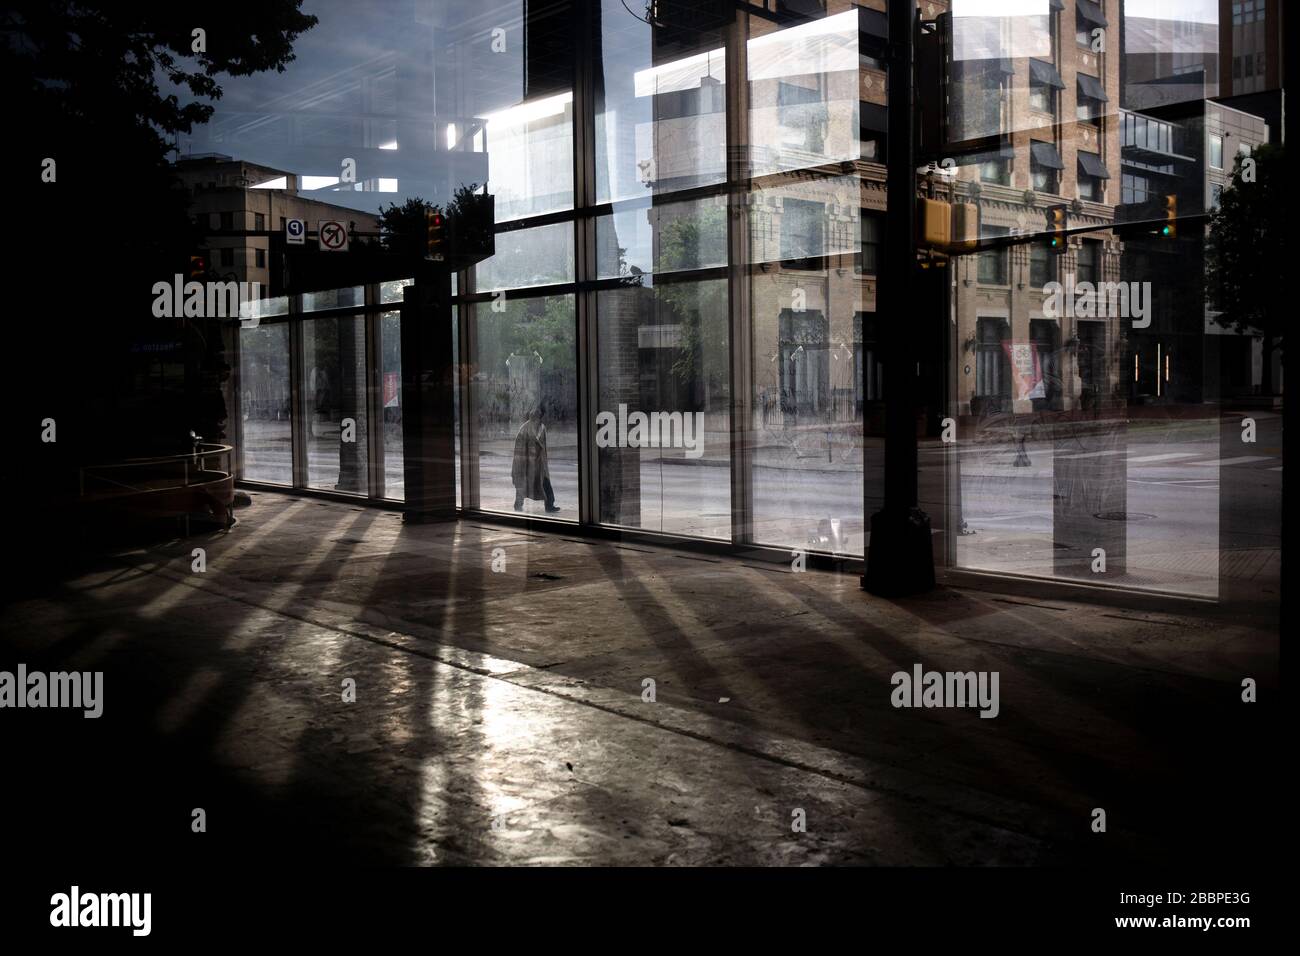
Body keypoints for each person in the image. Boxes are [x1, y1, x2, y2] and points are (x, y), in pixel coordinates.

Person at [511, 405, 560, 512]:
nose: (536, 417)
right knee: (522, 484)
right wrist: (520, 463)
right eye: (534, 415)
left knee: (546, 482)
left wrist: (544, 460)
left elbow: (544, 445)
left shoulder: (542, 427)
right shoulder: (524, 428)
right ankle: (518, 504)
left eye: (538, 415)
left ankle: (549, 505)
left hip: (539, 462)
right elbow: (519, 448)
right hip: (527, 462)